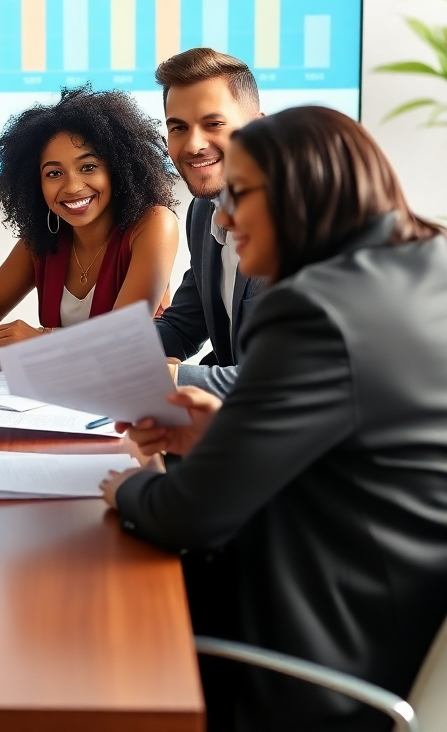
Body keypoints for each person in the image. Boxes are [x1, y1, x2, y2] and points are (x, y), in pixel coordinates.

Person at [102, 107, 447, 731]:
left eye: (240, 193)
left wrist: (128, 485)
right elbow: (365, 446)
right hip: (401, 620)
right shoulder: (429, 265)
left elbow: (190, 515)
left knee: (86, 625)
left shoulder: (314, 308)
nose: (225, 218)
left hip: (315, 660)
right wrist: (225, 438)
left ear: (302, 186)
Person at [0, 87, 178, 357]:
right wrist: (7, 339)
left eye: (88, 167)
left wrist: (40, 341)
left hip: (128, 391)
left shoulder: (154, 225)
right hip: (57, 391)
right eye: (54, 173)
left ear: (117, 168)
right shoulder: (42, 240)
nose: (73, 187)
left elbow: (121, 338)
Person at [153, 48, 266, 398]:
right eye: (178, 128)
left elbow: (282, 380)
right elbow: (182, 327)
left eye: (213, 124)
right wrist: (75, 354)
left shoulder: (297, 219)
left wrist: (171, 379)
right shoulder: (203, 211)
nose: (194, 145)